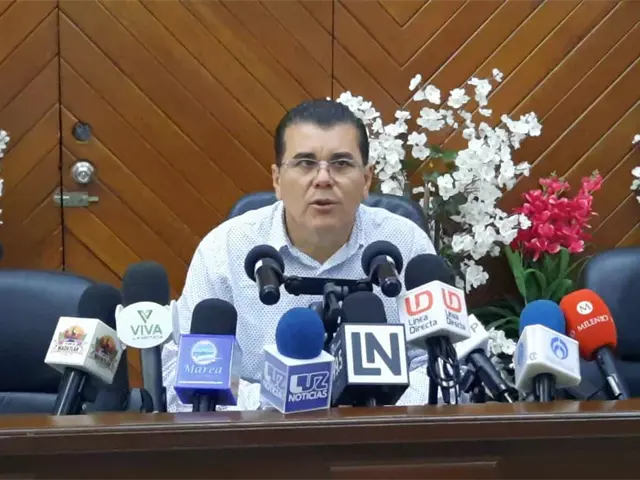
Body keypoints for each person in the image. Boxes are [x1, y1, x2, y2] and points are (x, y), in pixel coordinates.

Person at [163, 99, 437, 412]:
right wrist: (282, 404)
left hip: (380, 436)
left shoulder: (406, 243)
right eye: (305, 163)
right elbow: (180, 378)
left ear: (366, 180)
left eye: (341, 164)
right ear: (277, 179)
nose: (323, 179)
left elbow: (443, 364)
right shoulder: (224, 249)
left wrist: (372, 412)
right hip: (257, 439)